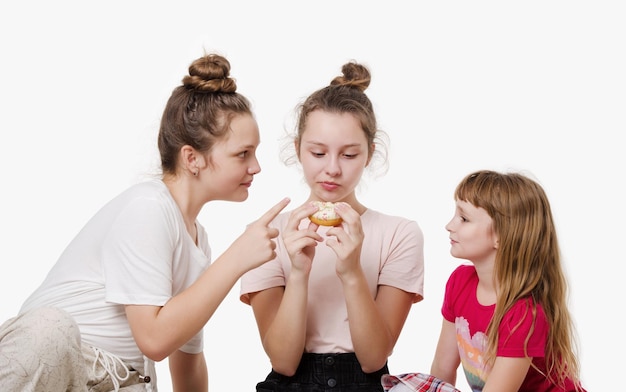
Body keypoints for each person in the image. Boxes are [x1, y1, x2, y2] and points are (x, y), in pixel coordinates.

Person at [0, 53, 290, 392]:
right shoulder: (148, 208)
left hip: (119, 380)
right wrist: (237, 259)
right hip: (55, 361)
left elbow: (188, 364)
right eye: (243, 153)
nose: (256, 167)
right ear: (192, 158)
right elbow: (153, 339)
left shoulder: (198, 242)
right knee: (52, 328)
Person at [239, 60, 425, 392]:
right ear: (298, 150)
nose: (333, 169)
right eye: (318, 152)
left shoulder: (399, 234)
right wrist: (298, 273)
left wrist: (352, 272)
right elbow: (283, 361)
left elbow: (373, 359)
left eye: (349, 155)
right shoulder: (266, 234)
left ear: (369, 154)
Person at [429, 170, 586, 391]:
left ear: (501, 236)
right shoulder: (460, 282)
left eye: (464, 218)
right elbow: (441, 371)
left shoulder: (523, 314)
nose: (450, 225)